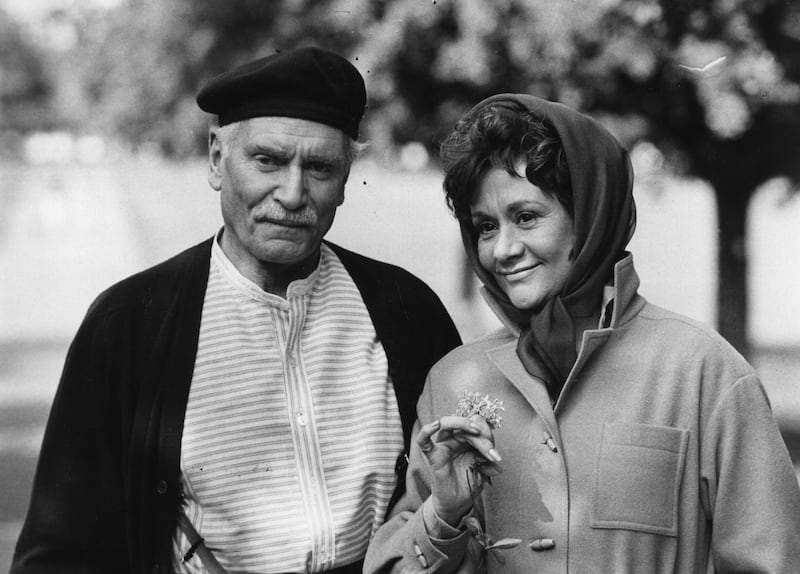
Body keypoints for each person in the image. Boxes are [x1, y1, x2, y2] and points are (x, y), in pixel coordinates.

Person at [11, 47, 461, 574]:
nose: (293, 194)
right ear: (216, 160)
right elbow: (60, 552)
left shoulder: (407, 310)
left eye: (319, 167)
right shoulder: (131, 323)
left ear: (345, 180)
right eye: (267, 160)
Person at [364, 94, 800, 573]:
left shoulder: (705, 373)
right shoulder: (454, 382)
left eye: (526, 217)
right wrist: (442, 515)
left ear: (590, 215)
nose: (503, 249)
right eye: (485, 227)